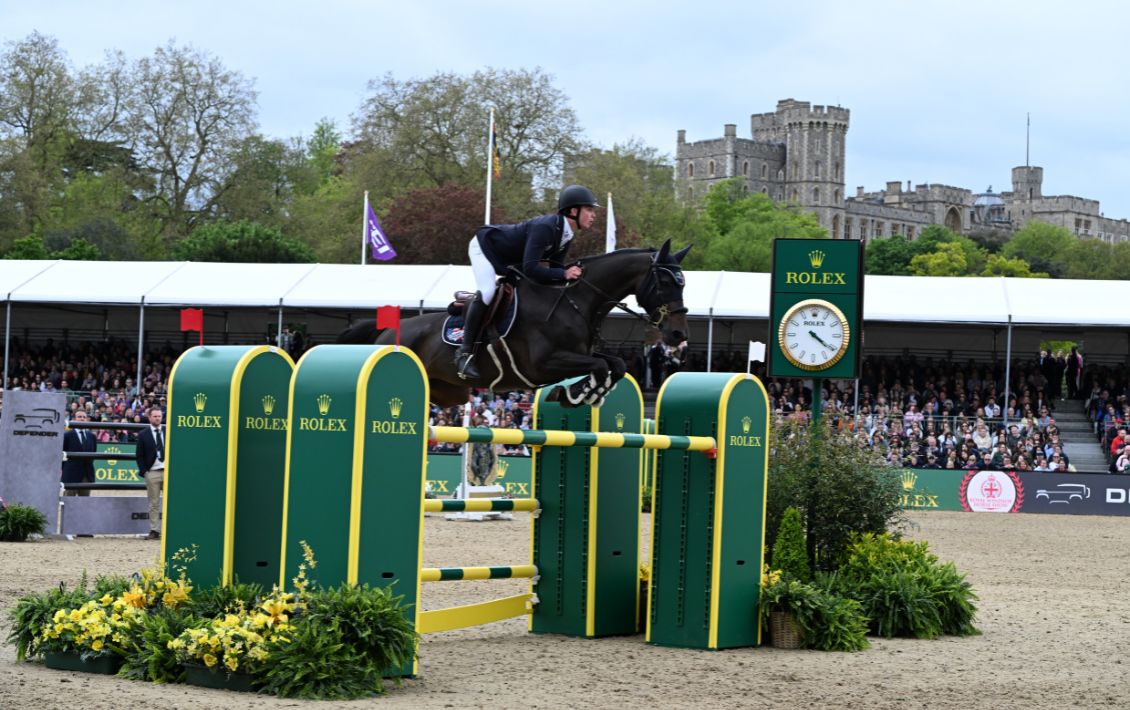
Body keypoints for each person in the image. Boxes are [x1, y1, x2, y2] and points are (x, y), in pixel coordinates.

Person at [455, 184, 600, 379]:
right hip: (486, 248)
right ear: (574, 211)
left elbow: (551, 269)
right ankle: (464, 354)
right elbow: (532, 268)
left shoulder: (566, 234)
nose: (593, 215)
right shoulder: (546, 227)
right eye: (589, 209)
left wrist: (565, 275)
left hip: (513, 262)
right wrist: (564, 273)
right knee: (488, 291)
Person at [136, 406, 166, 540]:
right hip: (152, 472)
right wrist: (145, 472)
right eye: (155, 416)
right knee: (153, 503)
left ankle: (170, 529)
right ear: (149, 417)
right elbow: (139, 455)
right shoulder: (143, 434)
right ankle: (155, 530)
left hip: (168, 472)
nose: (158, 418)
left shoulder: (169, 431)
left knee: (172, 503)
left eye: (159, 416)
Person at [61, 410, 97, 496]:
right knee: (69, 502)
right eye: (79, 417)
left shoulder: (92, 436)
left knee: (84, 504)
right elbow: (62, 455)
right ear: (73, 419)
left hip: (87, 475)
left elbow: (93, 454)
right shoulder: (67, 435)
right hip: (71, 475)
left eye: (84, 417)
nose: (82, 419)